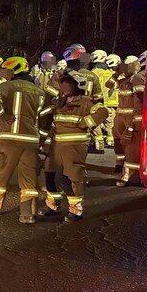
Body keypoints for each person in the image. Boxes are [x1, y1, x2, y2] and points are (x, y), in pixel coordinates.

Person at [0, 57, 47, 224]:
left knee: (2, 172)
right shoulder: (39, 92)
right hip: (31, 141)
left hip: (10, 139)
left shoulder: (9, 86)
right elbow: (45, 118)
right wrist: (42, 140)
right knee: (29, 177)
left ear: (14, 70)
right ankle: (27, 214)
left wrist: (2, 115)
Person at [38, 70, 108, 222]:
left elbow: (103, 112)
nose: (64, 86)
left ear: (78, 85)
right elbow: (44, 116)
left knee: (72, 178)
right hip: (57, 145)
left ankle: (76, 209)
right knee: (50, 174)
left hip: (75, 146)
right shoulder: (59, 102)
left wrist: (84, 123)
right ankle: (52, 205)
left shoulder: (86, 102)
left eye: (67, 83)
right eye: (62, 83)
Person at [118, 51, 147, 187]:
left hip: (137, 117)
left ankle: (130, 176)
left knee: (131, 148)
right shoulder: (146, 76)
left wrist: (131, 124)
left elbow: (140, 98)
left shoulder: (140, 77)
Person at [105, 56, 137, 175]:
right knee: (117, 139)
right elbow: (108, 85)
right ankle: (119, 163)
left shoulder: (136, 80)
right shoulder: (122, 81)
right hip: (119, 116)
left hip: (131, 116)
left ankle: (129, 165)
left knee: (129, 141)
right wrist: (116, 73)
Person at [90, 50, 115, 153]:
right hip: (111, 103)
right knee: (110, 123)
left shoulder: (93, 72)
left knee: (95, 123)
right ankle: (110, 142)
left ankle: (99, 146)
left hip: (97, 101)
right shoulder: (111, 72)